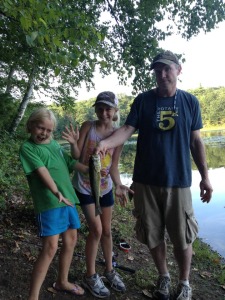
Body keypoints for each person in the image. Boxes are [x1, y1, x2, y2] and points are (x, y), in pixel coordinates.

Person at [95, 51, 213, 300]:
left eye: (167, 69)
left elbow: (196, 141)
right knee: (152, 233)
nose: (162, 74)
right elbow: (126, 129)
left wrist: (205, 176)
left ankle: (184, 282)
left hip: (178, 180)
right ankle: (164, 277)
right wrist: (106, 143)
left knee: (182, 237)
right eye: (157, 70)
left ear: (178, 70)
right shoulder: (143, 101)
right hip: (144, 181)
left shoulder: (190, 102)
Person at [62, 91, 133, 298]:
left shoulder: (118, 134)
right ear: (95, 109)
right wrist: (74, 144)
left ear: (115, 111)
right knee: (96, 230)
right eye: (100, 108)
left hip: (106, 188)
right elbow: (77, 156)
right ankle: (91, 275)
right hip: (85, 187)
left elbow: (114, 166)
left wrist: (119, 184)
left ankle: (109, 271)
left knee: (107, 231)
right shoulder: (88, 127)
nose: (104, 113)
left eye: (108, 109)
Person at [19, 108, 86, 300]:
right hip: (50, 203)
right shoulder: (28, 148)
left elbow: (73, 163)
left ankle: (62, 281)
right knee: (50, 248)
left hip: (69, 200)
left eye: (49, 130)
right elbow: (43, 172)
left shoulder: (55, 144)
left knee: (71, 241)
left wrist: (93, 170)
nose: (44, 133)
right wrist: (57, 192)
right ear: (31, 126)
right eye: (41, 128)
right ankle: (33, 296)